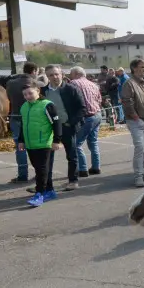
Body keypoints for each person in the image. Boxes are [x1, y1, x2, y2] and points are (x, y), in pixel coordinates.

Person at [17, 76, 62, 207]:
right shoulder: (24, 107)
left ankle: (39, 194)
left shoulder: (47, 105)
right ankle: (50, 190)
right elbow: (22, 125)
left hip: (44, 143)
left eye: (30, 93)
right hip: (31, 144)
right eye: (25, 94)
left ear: (38, 90)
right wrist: (21, 140)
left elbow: (57, 123)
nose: (27, 96)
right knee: (40, 168)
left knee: (41, 170)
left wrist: (56, 140)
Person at [41, 64, 85, 192]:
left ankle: (73, 180)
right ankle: (45, 184)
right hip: (49, 129)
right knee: (47, 157)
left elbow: (82, 108)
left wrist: (71, 123)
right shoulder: (43, 92)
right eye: (51, 75)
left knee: (71, 155)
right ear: (47, 77)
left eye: (56, 74)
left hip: (66, 127)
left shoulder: (71, 89)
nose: (54, 77)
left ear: (62, 74)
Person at [121, 58, 144, 187]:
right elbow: (127, 101)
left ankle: (142, 171)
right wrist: (136, 118)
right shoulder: (129, 83)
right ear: (134, 68)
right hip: (136, 121)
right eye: (142, 67)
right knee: (140, 148)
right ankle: (138, 176)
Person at [5, 62, 39, 184]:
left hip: (15, 116)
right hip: (31, 116)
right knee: (36, 146)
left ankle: (22, 175)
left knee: (20, 147)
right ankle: (40, 173)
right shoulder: (34, 83)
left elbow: (8, 98)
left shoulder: (10, 83)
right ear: (34, 71)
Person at [69, 66, 103, 177]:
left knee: (77, 144)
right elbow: (99, 100)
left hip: (86, 116)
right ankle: (96, 167)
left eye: (71, 73)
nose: (70, 76)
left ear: (75, 74)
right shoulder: (93, 84)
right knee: (93, 142)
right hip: (97, 114)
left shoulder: (73, 83)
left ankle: (82, 169)